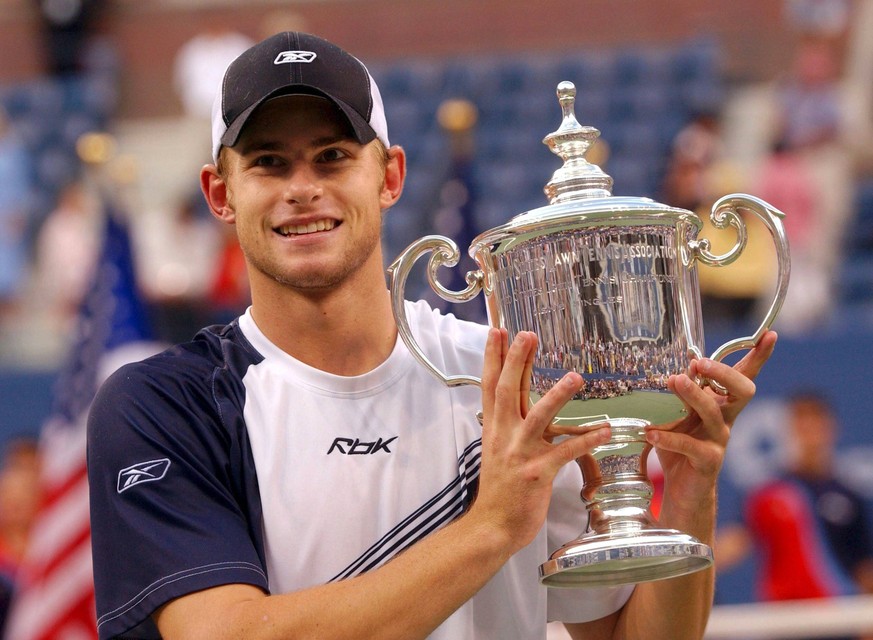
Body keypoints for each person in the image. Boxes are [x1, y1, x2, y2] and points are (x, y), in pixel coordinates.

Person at [86, 31, 777, 640]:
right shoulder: (163, 404)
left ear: (388, 176)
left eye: (331, 156)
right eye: (268, 162)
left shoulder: (514, 380)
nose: (302, 187)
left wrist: (690, 493)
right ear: (219, 192)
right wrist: (490, 527)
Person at [716, 390, 873, 640]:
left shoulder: (849, 496)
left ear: (831, 427)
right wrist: (688, 569)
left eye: (816, 420)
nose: (809, 429)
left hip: (840, 619)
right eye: (801, 420)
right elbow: (735, 543)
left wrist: (867, 622)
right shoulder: (768, 493)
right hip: (786, 621)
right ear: (789, 428)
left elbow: (864, 568)